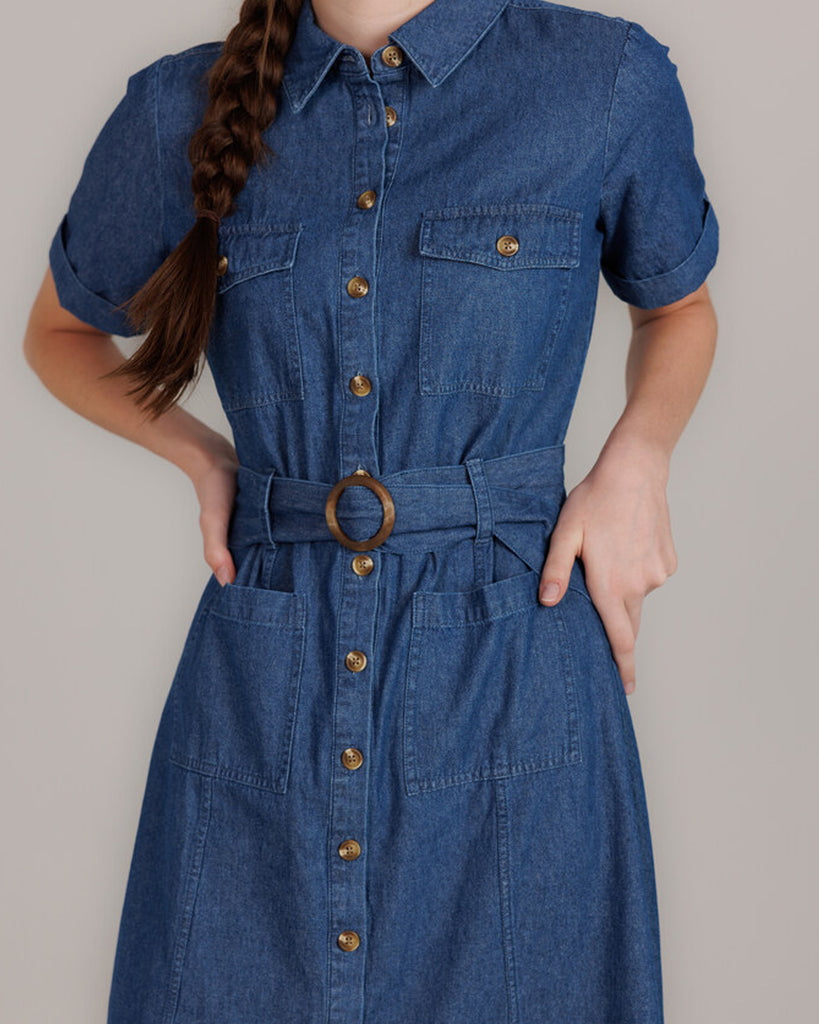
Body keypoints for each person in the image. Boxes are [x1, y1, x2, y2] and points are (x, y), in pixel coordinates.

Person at [24, 0, 719, 1020]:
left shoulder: (600, 79)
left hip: (512, 679)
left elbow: (679, 307)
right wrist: (201, 453)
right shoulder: (182, 105)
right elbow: (59, 334)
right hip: (263, 698)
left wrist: (638, 457)